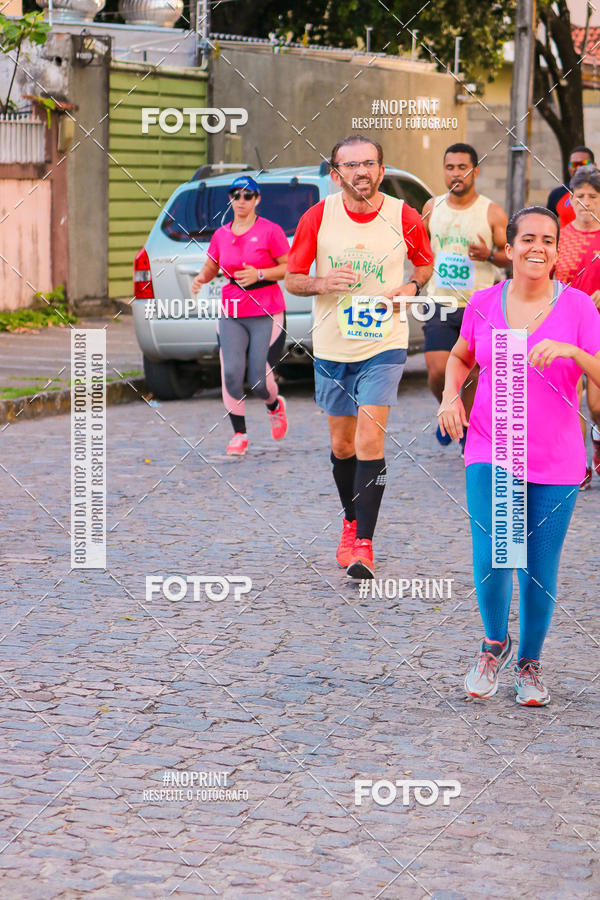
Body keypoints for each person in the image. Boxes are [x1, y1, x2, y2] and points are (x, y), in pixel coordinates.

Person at [438, 207, 600, 706]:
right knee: (495, 552)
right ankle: (494, 644)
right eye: (527, 238)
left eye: (548, 240)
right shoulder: (484, 302)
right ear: (508, 248)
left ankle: (529, 662)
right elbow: (462, 356)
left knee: (538, 566)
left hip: (556, 457)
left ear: (557, 251)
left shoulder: (577, 308)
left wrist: (573, 354)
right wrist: (449, 397)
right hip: (493, 445)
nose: (537, 248)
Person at [285, 135, 433, 579]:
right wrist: (321, 283)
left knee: (371, 441)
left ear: (382, 171)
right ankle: (350, 521)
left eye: (369, 164)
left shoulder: (403, 216)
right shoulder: (318, 216)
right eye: (350, 165)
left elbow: (424, 265)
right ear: (336, 175)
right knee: (342, 444)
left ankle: (364, 544)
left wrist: (409, 288)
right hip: (332, 345)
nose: (361, 172)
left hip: (384, 343)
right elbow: (292, 278)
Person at [191, 175, 289, 455]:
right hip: (232, 310)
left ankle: (274, 405)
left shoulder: (271, 231)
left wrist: (260, 273)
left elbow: (290, 266)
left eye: (248, 196)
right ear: (231, 199)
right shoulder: (221, 234)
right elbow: (211, 267)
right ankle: (239, 434)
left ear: (257, 199)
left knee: (259, 378)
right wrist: (200, 278)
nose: (241, 201)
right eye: (236, 195)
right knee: (232, 373)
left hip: (266, 309)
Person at [421, 143, 508, 451]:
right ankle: (451, 410)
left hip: (480, 305)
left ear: (475, 171)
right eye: (450, 167)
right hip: (440, 302)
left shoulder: (492, 212)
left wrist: (489, 255)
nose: (456, 173)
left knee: (471, 372)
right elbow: (420, 250)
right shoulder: (432, 208)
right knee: (436, 371)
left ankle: (465, 428)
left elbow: (511, 257)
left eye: (462, 167)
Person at [554, 165, 600, 487]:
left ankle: (597, 438)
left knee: (596, 405)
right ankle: (578, 464)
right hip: (567, 326)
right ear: (571, 198)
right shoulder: (560, 236)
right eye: (580, 196)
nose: (586, 202)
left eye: (593, 196)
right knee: (570, 401)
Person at [546, 146, 595, 228]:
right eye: (574, 164)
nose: (578, 167)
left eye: (583, 163)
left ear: (594, 165)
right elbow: (547, 225)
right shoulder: (557, 194)